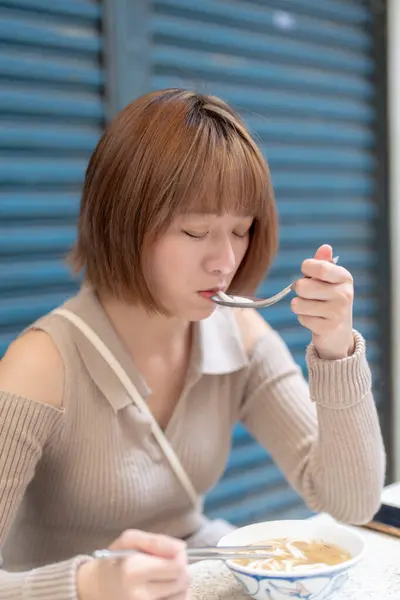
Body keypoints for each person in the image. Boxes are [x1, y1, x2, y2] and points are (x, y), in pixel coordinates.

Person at [0, 89, 385, 600]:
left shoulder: (240, 335)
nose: (225, 260)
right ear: (123, 219)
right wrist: (88, 584)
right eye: (195, 230)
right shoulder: (41, 365)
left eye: (241, 230)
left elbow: (352, 501)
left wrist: (337, 350)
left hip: (194, 575)